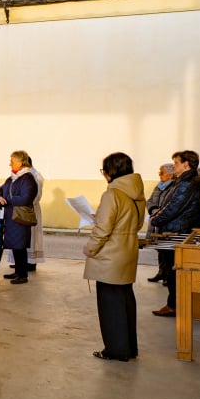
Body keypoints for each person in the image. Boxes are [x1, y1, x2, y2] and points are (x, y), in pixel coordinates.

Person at [84, 152, 145, 361]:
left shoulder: (112, 194)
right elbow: (135, 223)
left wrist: (90, 248)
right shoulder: (136, 192)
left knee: (110, 305)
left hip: (110, 256)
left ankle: (116, 350)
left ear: (111, 171)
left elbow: (103, 230)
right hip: (127, 251)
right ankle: (129, 348)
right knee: (125, 300)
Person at [149, 151, 200, 317]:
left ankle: (174, 305)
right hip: (176, 229)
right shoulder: (184, 180)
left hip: (177, 231)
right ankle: (174, 304)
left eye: (176, 163)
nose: (174, 166)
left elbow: (174, 207)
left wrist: (155, 219)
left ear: (186, 164)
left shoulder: (188, 183)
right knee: (172, 271)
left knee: (174, 272)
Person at [0, 150, 40, 284]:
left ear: (21, 162)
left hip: (20, 217)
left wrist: (8, 200)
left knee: (20, 245)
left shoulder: (28, 178)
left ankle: (23, 275)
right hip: (11, 216)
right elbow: (1, 189)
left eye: (12, 161)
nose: (10, 164)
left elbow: (26, 198)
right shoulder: (12, 178)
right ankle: (18, 271)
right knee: (15, 245)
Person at [145, 162, 175, 283]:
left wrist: (161, 211)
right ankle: (161, 272)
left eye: (162, 172)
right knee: (158, 247)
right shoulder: (159, 186)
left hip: (165, 221)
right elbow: (150, 200)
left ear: (170, 175)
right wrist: (153, 209)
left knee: (166, 249)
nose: (159, 174)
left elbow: (171, 204)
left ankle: (168, 275)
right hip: (155, 219)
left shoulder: (174, 186)